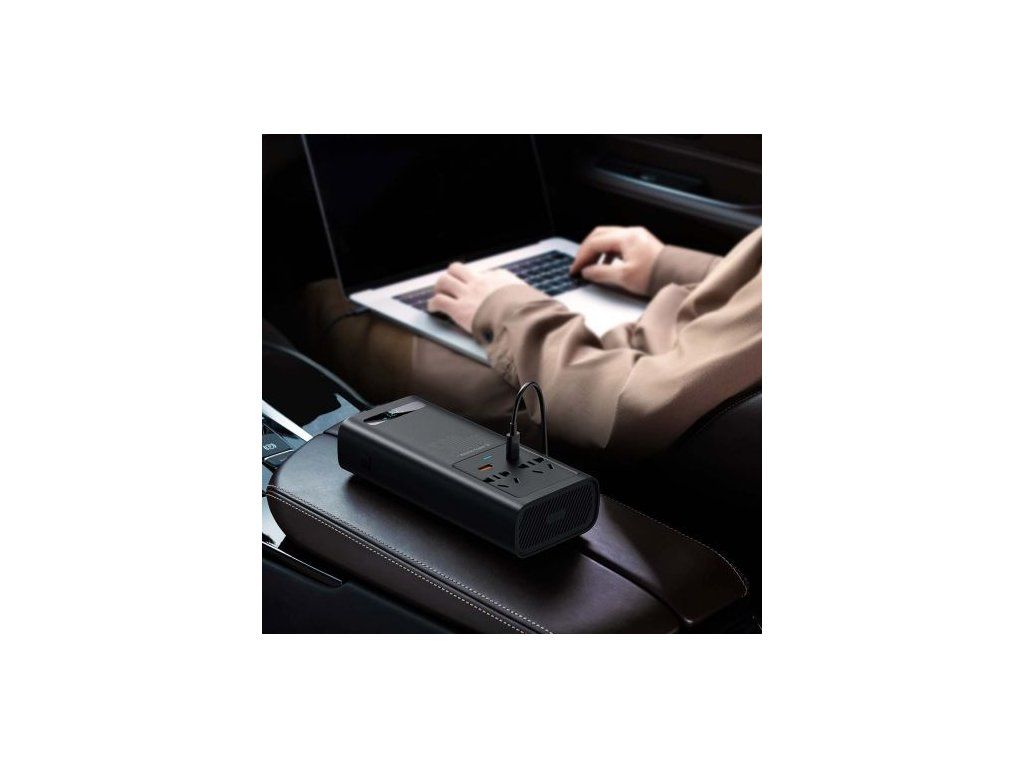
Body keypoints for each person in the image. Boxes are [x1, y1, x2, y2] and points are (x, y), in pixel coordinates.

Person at [301, 225, 761, 457]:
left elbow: (632, 409)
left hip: (604, 389)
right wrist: (677, 268)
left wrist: (505, 307)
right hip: (661, 346)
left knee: (327, 300)